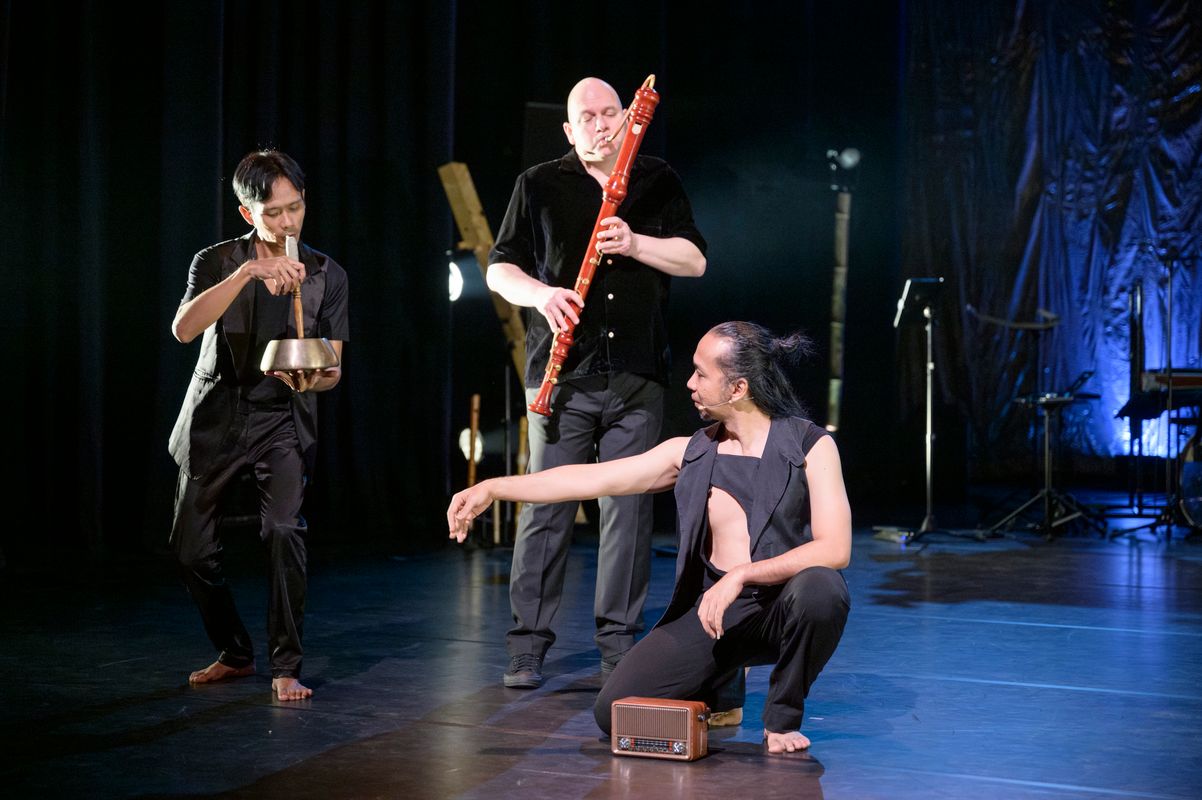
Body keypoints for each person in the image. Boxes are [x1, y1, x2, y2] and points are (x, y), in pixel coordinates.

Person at [449, 322, 851, 754]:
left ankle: (781, 718)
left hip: (783, 607)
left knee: (823, 588)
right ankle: (719, 682)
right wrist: (494, 488)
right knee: (614, 711)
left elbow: (835, 548)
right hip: (715, 616)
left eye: (701, 374)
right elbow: (591, 479)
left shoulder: (810, 445)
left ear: (738, 388)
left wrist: (741, 575)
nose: (690, 383)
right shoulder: (690, 452)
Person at [486, 76, 707, 689]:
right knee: (545, 510)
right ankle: (527, 647)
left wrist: (635, 243)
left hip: (637, 373)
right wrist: (541, 295)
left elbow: (695, 260)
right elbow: (500, 269)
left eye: (612, 112)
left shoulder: (657, 178)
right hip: (561, 377)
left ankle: (618, 648)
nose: (603, 124)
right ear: (569, 128)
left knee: (628, 514)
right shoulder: (538, 183)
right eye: (588, 116)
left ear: (629, 116)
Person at [168, 150, 349, 701]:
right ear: (249, 213)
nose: (288, 222)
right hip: (216, 413)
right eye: (273, 213)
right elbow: (183, 329)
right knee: (190, 549)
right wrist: (248, 273)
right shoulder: (218, 260)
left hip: (281, 417)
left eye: (295, 208)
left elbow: (333, 371)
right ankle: (235, 652)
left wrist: (310, 378)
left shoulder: (326, 274)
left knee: (284, 532)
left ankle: (285, 666)